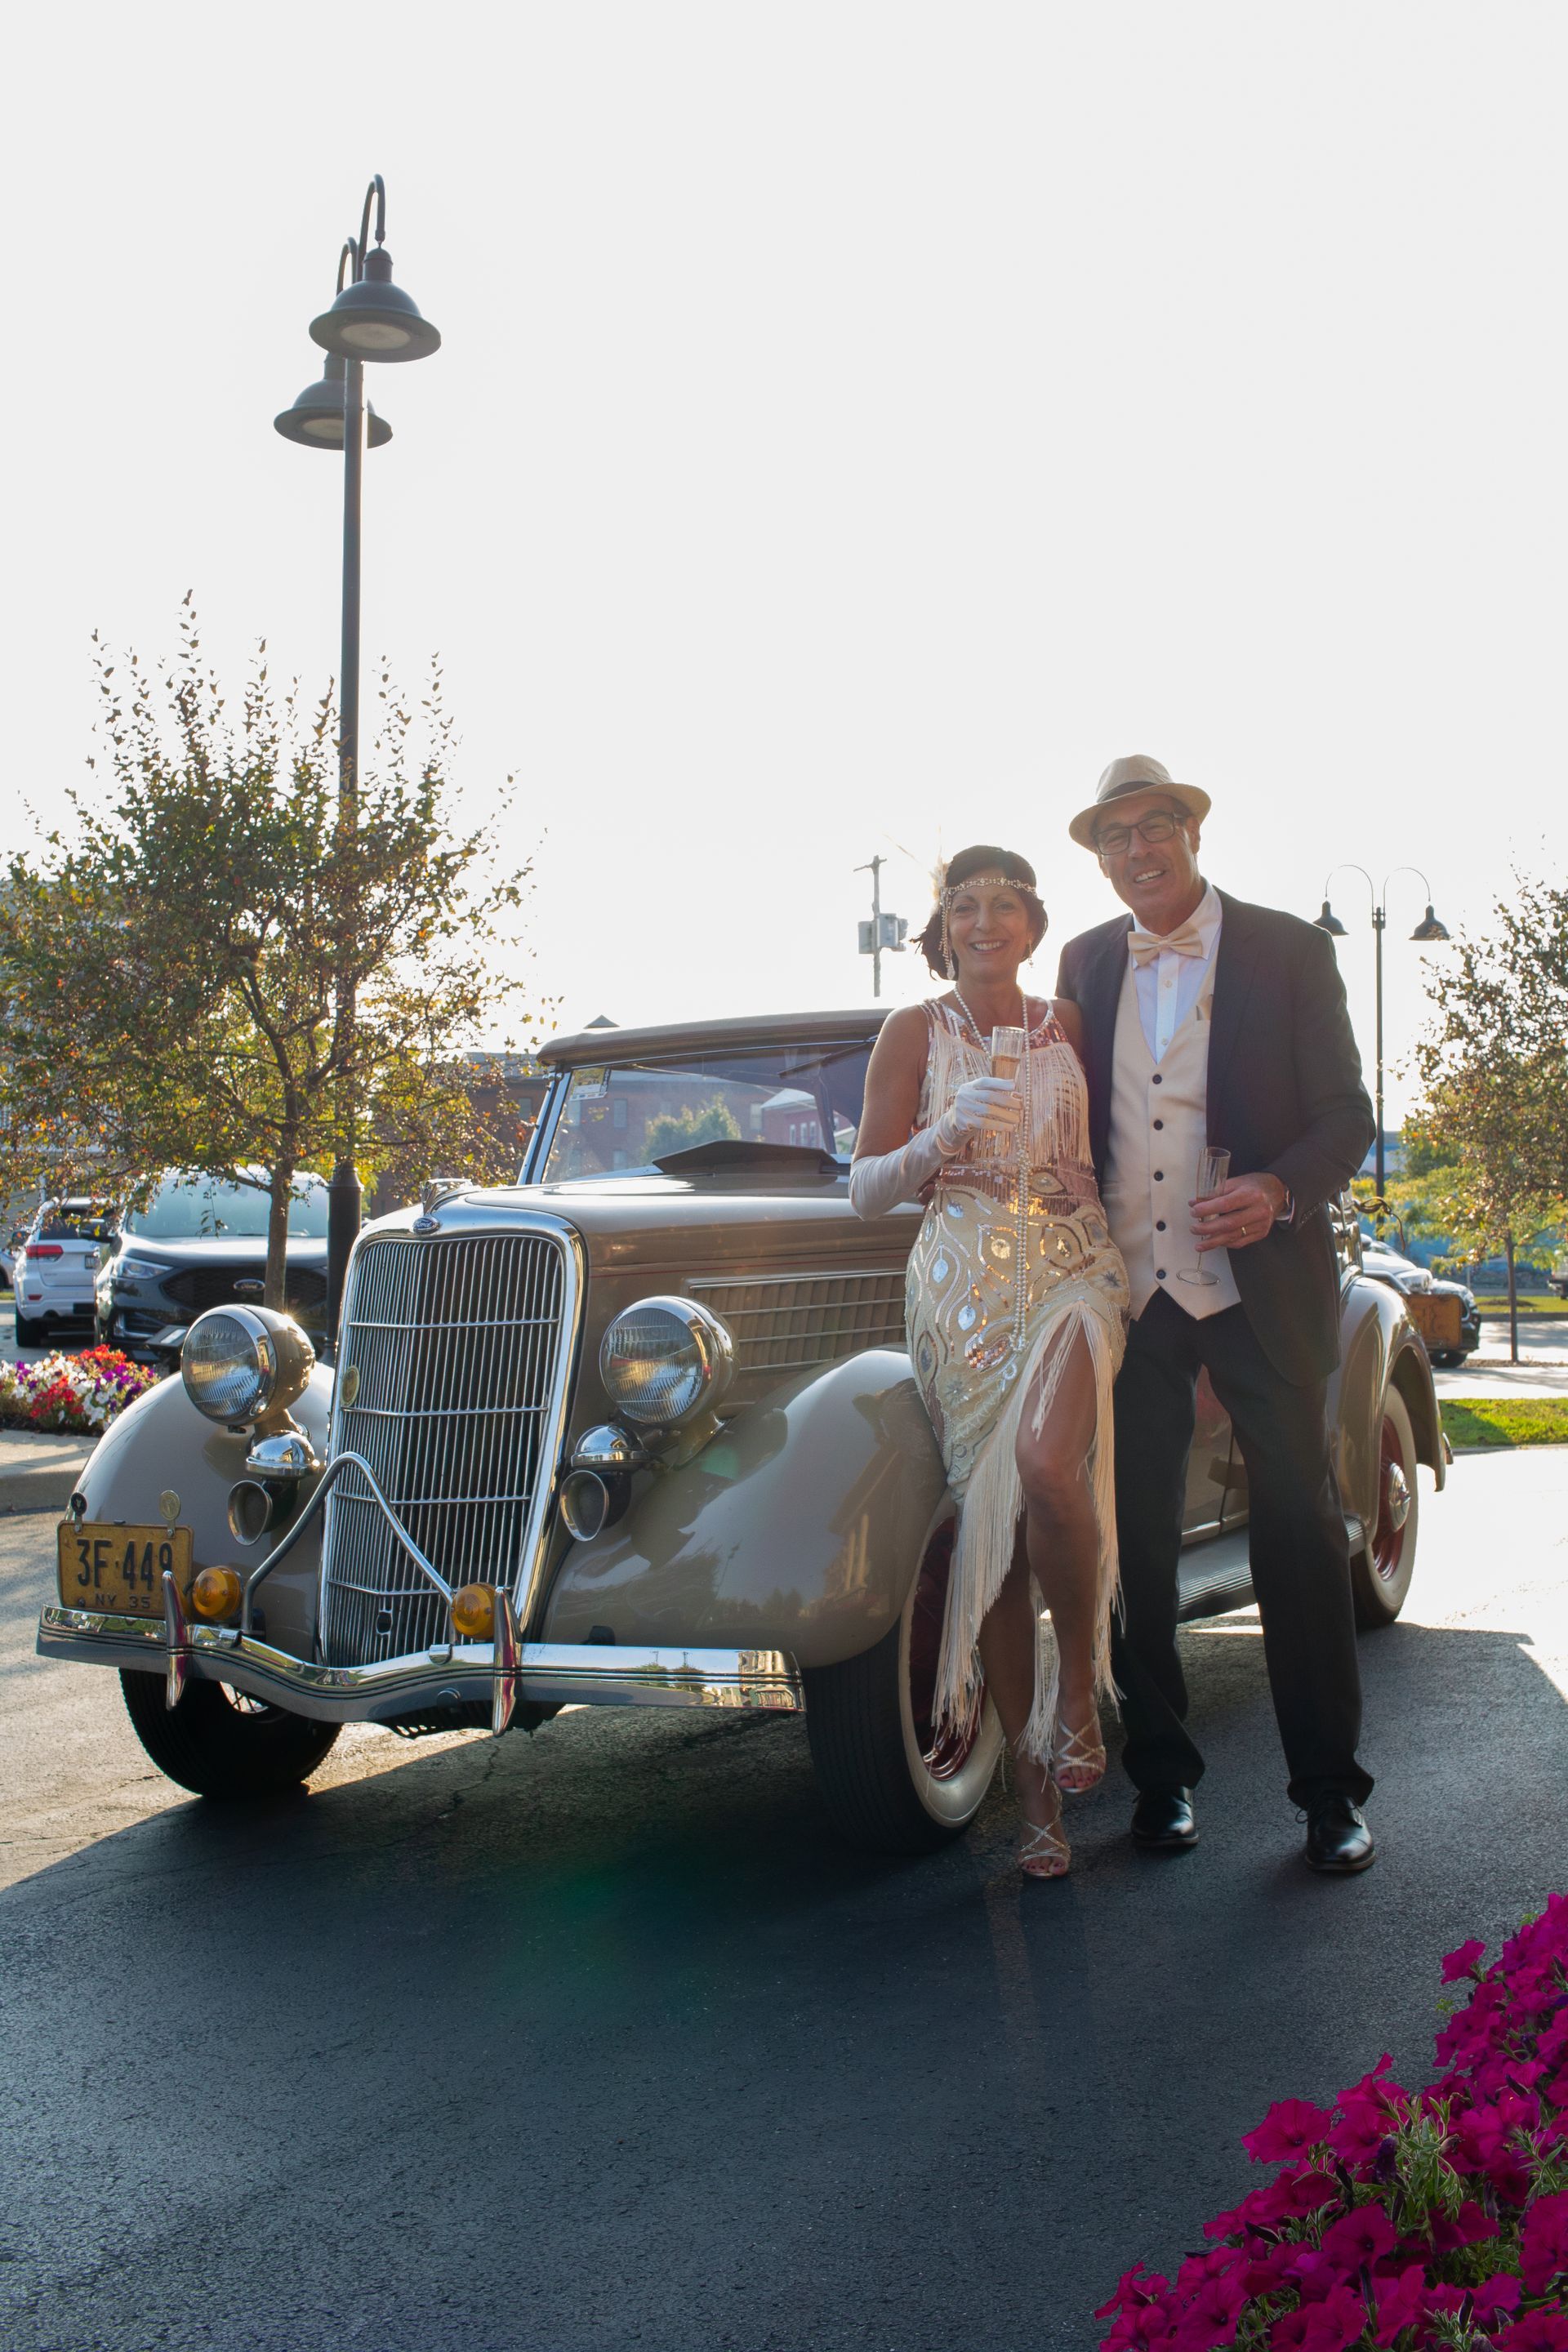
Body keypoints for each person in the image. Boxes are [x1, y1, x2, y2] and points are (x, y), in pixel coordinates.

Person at [1055, 755, 1379, 1873]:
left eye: (1155, 828)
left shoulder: (1291, 949)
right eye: (1114, 838)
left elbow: (1348, 1116)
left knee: (1297, 1535)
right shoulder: (1086, 962)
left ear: (1193, 832)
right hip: (1131, 1294)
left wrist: (1283, 1187)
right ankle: (1164, 1782)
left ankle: (1331, 1794)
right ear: (1098, 857)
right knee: (1134, 1551)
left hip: (1261, 1290)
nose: (1137, 852)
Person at [850, 845, 1130, 1877]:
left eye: (1003, 905)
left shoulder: (1069, 1024)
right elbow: (866, 1190)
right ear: (943, 927)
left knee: (1051, 1466)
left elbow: (1119, 1148)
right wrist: (937, 1138)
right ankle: (1033, 1788)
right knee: (994, 1545)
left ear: (1030, 921)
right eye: (964, 907)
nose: (984, 922)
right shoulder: (911, 1030)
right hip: (959, 1287)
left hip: (1072, 1268)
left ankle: (1076, 1695)